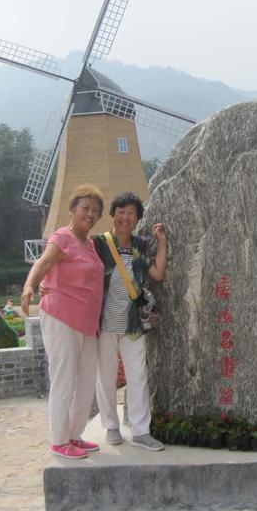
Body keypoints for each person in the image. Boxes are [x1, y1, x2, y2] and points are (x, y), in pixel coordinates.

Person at [20, 184, 106, 459]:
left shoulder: (90, 244)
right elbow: (43, 263)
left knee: (85, 383)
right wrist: (29, 286)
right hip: (62, 318)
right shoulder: (62, 237)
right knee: (64, 380)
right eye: (85, 208)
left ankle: (74, 435)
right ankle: (59, 441)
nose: (90, 214)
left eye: (96, 211)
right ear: (72, 209)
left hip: (88, 323)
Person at [92, 192, 168, 452]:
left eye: (132, 213)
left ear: (137, 219)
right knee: (106, 376)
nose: (126, 217)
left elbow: (157, 273)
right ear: (113, 214)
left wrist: (161, 243)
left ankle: (141, 431)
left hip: (133, 322)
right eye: (121, 212)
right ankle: (111, 425)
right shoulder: (98, 244)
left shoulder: (141, 245)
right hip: (104, 322)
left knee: (138, 376)